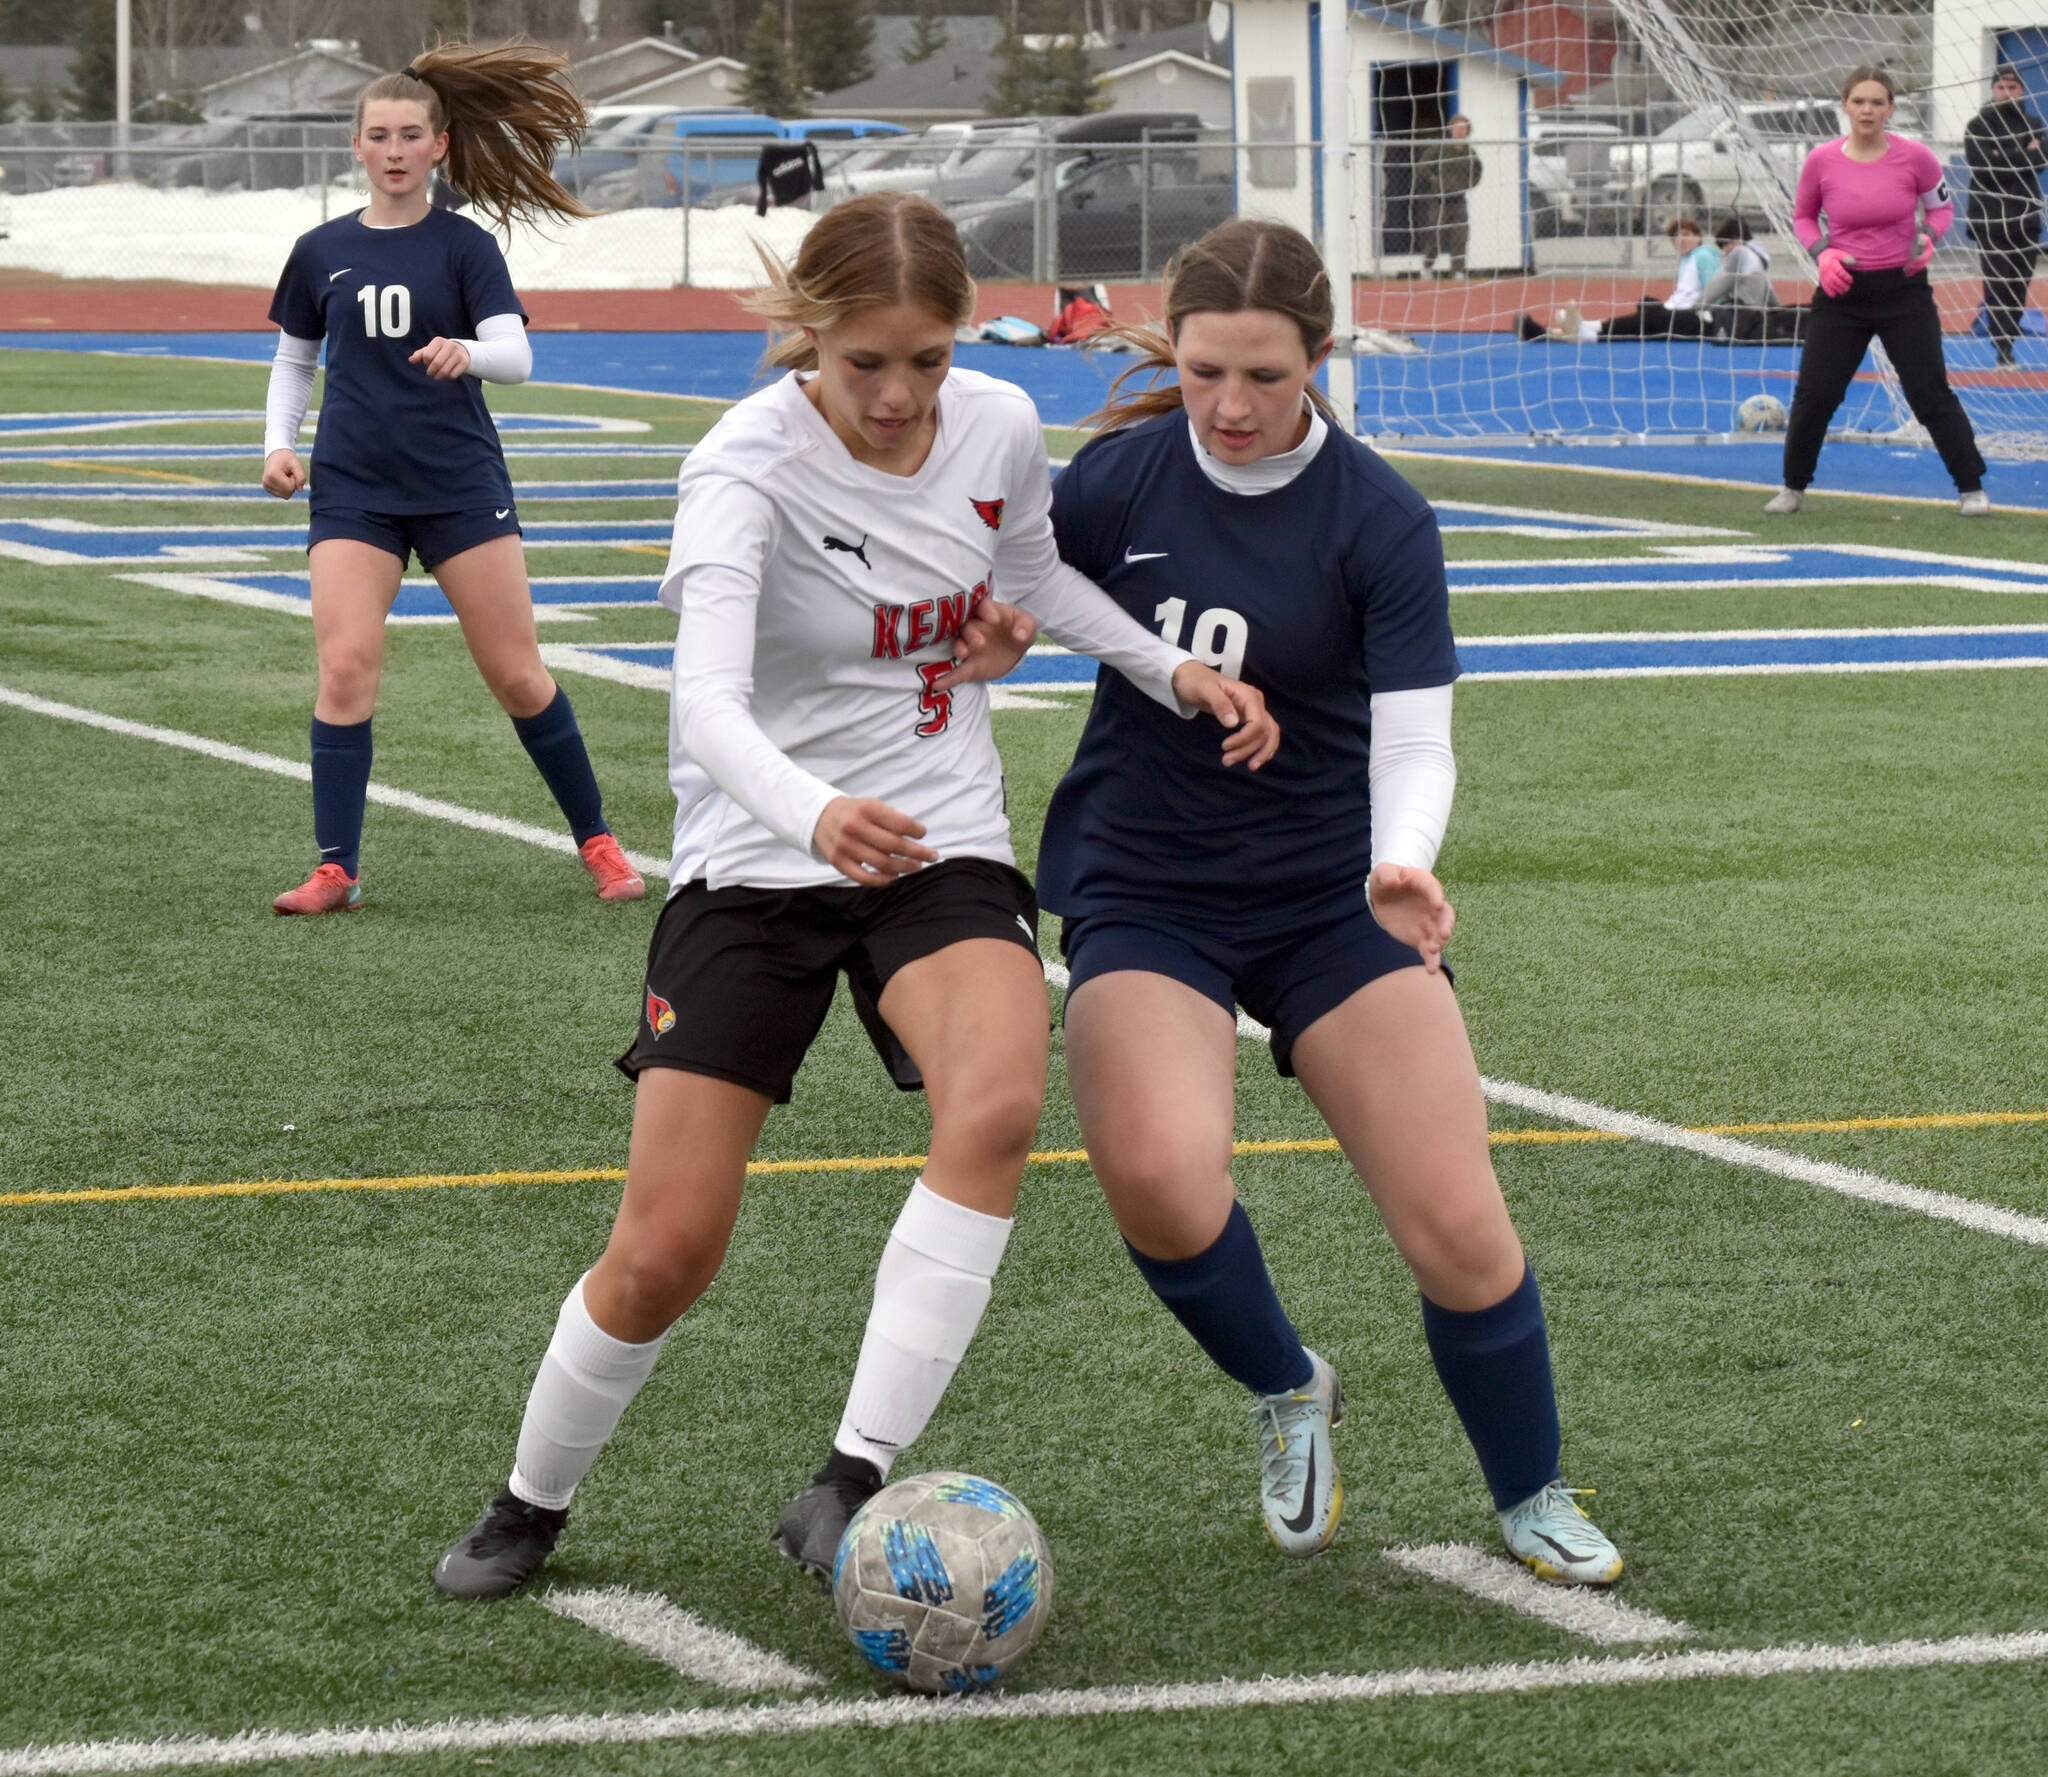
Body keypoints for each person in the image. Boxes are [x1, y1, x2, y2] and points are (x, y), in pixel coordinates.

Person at [429, 193, 1279, 1600]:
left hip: (936, 838)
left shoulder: (999, 424)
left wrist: (1166, 667)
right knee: (664, 1251)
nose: (896, 396)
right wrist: (817, 812)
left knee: (999, 1102)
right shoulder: (741, 471)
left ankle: (851, 1476)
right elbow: (701, 705)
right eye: (862, 362)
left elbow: (1033, 582)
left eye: (927, 361)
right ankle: (532, 1500)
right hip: (762, 860)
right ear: (806, 339)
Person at [1041, 219, 1623, 1584]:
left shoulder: (1379, 518)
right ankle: (1285, 1383)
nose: (1230, 408)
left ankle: (1532, 1487)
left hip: (1332, 890)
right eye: (1202, 376)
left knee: (1458, 1222)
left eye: (1264, 378)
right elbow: (1031, 581)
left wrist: (1405, 858)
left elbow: (1416, 736)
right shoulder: (1118, 479)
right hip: (1149, 882)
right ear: (1172, 355)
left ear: (1321, 359)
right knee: (1160, 1178)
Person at [261, 45, 645, 914]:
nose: (393, 150)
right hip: (354, 486)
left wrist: (465, 351)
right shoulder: (320, 250)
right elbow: (294, 360)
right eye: (377, 136)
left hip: (460, 484)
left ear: (440, 145)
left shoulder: (466, 247)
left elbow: (516, 355)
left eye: (410, 135)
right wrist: (278, 443)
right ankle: (336, 869)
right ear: (356, 147)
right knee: (346, 667)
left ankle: (598, 839)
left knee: (516, 674)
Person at [1766, 66, 1988, 517]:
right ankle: (1793, 488)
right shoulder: (1821, 161)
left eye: (1877, 102)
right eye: (1859, 101)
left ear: (1891, 108)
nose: (1868, 110)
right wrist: (1823, 254)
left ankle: (1971, 488)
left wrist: (1929, 237)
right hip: (1842, 294)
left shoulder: (1917, 157)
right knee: (1816, 395)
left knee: (1929, 393)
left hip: (1903, 292)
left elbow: (1942, 210)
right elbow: (1804, 218)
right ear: (1845, 106)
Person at [1964, 64, 2048, 369]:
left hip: (2026, 217)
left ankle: (2009, 337)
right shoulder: (1977, 126)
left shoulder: (2035, 124)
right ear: (1993, 90)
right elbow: (1983, 165)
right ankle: (2002, 348)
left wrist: (2003, 156)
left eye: (2013, 88)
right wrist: (2023, 154)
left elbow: (2040, 162)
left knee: (2019, 283)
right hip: (1989, 217)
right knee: (1997, 282)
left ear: (2022, 90)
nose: (2007, 93)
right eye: (2002, 88)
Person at [1516, 215, 1719, 341]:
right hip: (1675, 312)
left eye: (1685, 234)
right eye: (1676, 237)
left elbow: (1713, 287)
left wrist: (1709, 314)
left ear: (1698, 236)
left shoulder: (1704, 254)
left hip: (1689, 318)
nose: (1680, 240)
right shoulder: (1687, 260)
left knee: (1645, 317)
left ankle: (1579, 329)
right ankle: (1560, 332)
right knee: (1644, 309)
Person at [1701, 215, 1806, 344]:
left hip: (1742, 322)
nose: (1723, 250)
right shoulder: (1757, 259)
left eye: (1724, 245)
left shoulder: (1738, 260)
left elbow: (1717, 292)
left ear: (1736, 239)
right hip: (1757, 320)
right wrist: (1778, 314)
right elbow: (1770, 294)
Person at [1416, 115, 1482, 278]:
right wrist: (1433, 178)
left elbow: (1477, 171)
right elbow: (1422, 164)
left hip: (1459, 199)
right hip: (1440, 200)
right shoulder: (1441, 147)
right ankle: (1427, 266)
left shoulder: (1469, 151)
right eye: (1456, 128)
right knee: (1437, 235)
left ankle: (1458, 270)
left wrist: (1468, 184)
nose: (1460, 131)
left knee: (1460, 236)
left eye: (1463, 128)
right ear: (1451, 130)